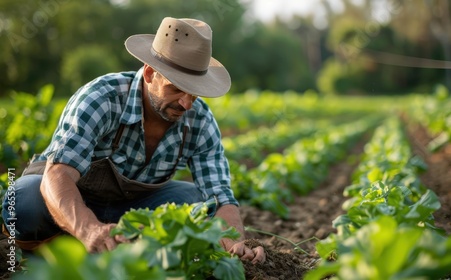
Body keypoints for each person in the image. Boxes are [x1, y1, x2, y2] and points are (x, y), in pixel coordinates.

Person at [2, 17, 265, 264]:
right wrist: (87, 227)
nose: (186, 103)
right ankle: (72, 246)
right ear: (150, 74)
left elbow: (220, 197)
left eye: (194, 93)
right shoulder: (102, 98)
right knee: (23, 201)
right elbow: (59, 174)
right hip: (71, 196)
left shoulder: (200, 121)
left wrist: (235, 244)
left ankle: (124, 246)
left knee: (201, 205)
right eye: (175, 89)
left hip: (131, 208)